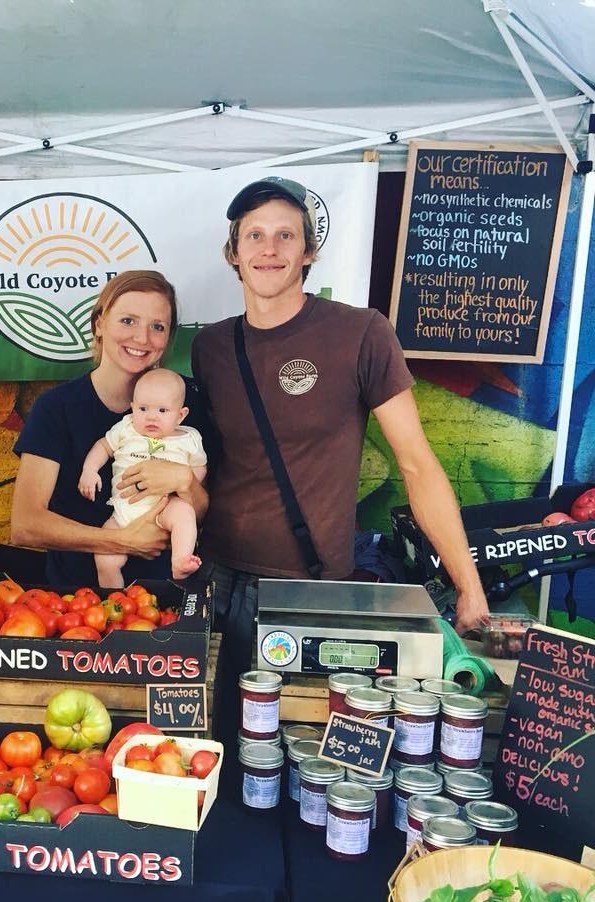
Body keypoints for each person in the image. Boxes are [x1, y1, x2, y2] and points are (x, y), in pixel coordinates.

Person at [191, 175, 490, 745]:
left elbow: (418, 465)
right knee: (218, 753)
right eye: (253, 235)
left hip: (310, 590)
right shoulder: (211, 347)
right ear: (235, 254)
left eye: (285, 235)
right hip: (215, 579)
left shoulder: (359, 333)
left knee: (303, 756)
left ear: (309, 251)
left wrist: (469, 589)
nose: (269, 248)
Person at [11, 270, 209, 588]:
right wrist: (123, 541)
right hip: (76, 604)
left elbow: (202, 512)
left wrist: (185, 481)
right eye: (128, 321)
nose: (142, 338)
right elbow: (26, 525)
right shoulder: (56, 407)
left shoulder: (189, 402)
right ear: (99, 324)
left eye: (157, 326)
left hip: (167, 600)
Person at [79, 367, 208, 586]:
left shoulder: (189, 438)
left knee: (184, 514)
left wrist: (186, 482)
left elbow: (200, 467)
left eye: (162, 410)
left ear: (181, 415)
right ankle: (113, 595)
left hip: (165, 506)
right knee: (105, 558)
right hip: (122, 512)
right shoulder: (126, 428)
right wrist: (89, 471)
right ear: (132, 408)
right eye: (143, 408)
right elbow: (103, 446)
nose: (151, 417)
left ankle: (180, 561)